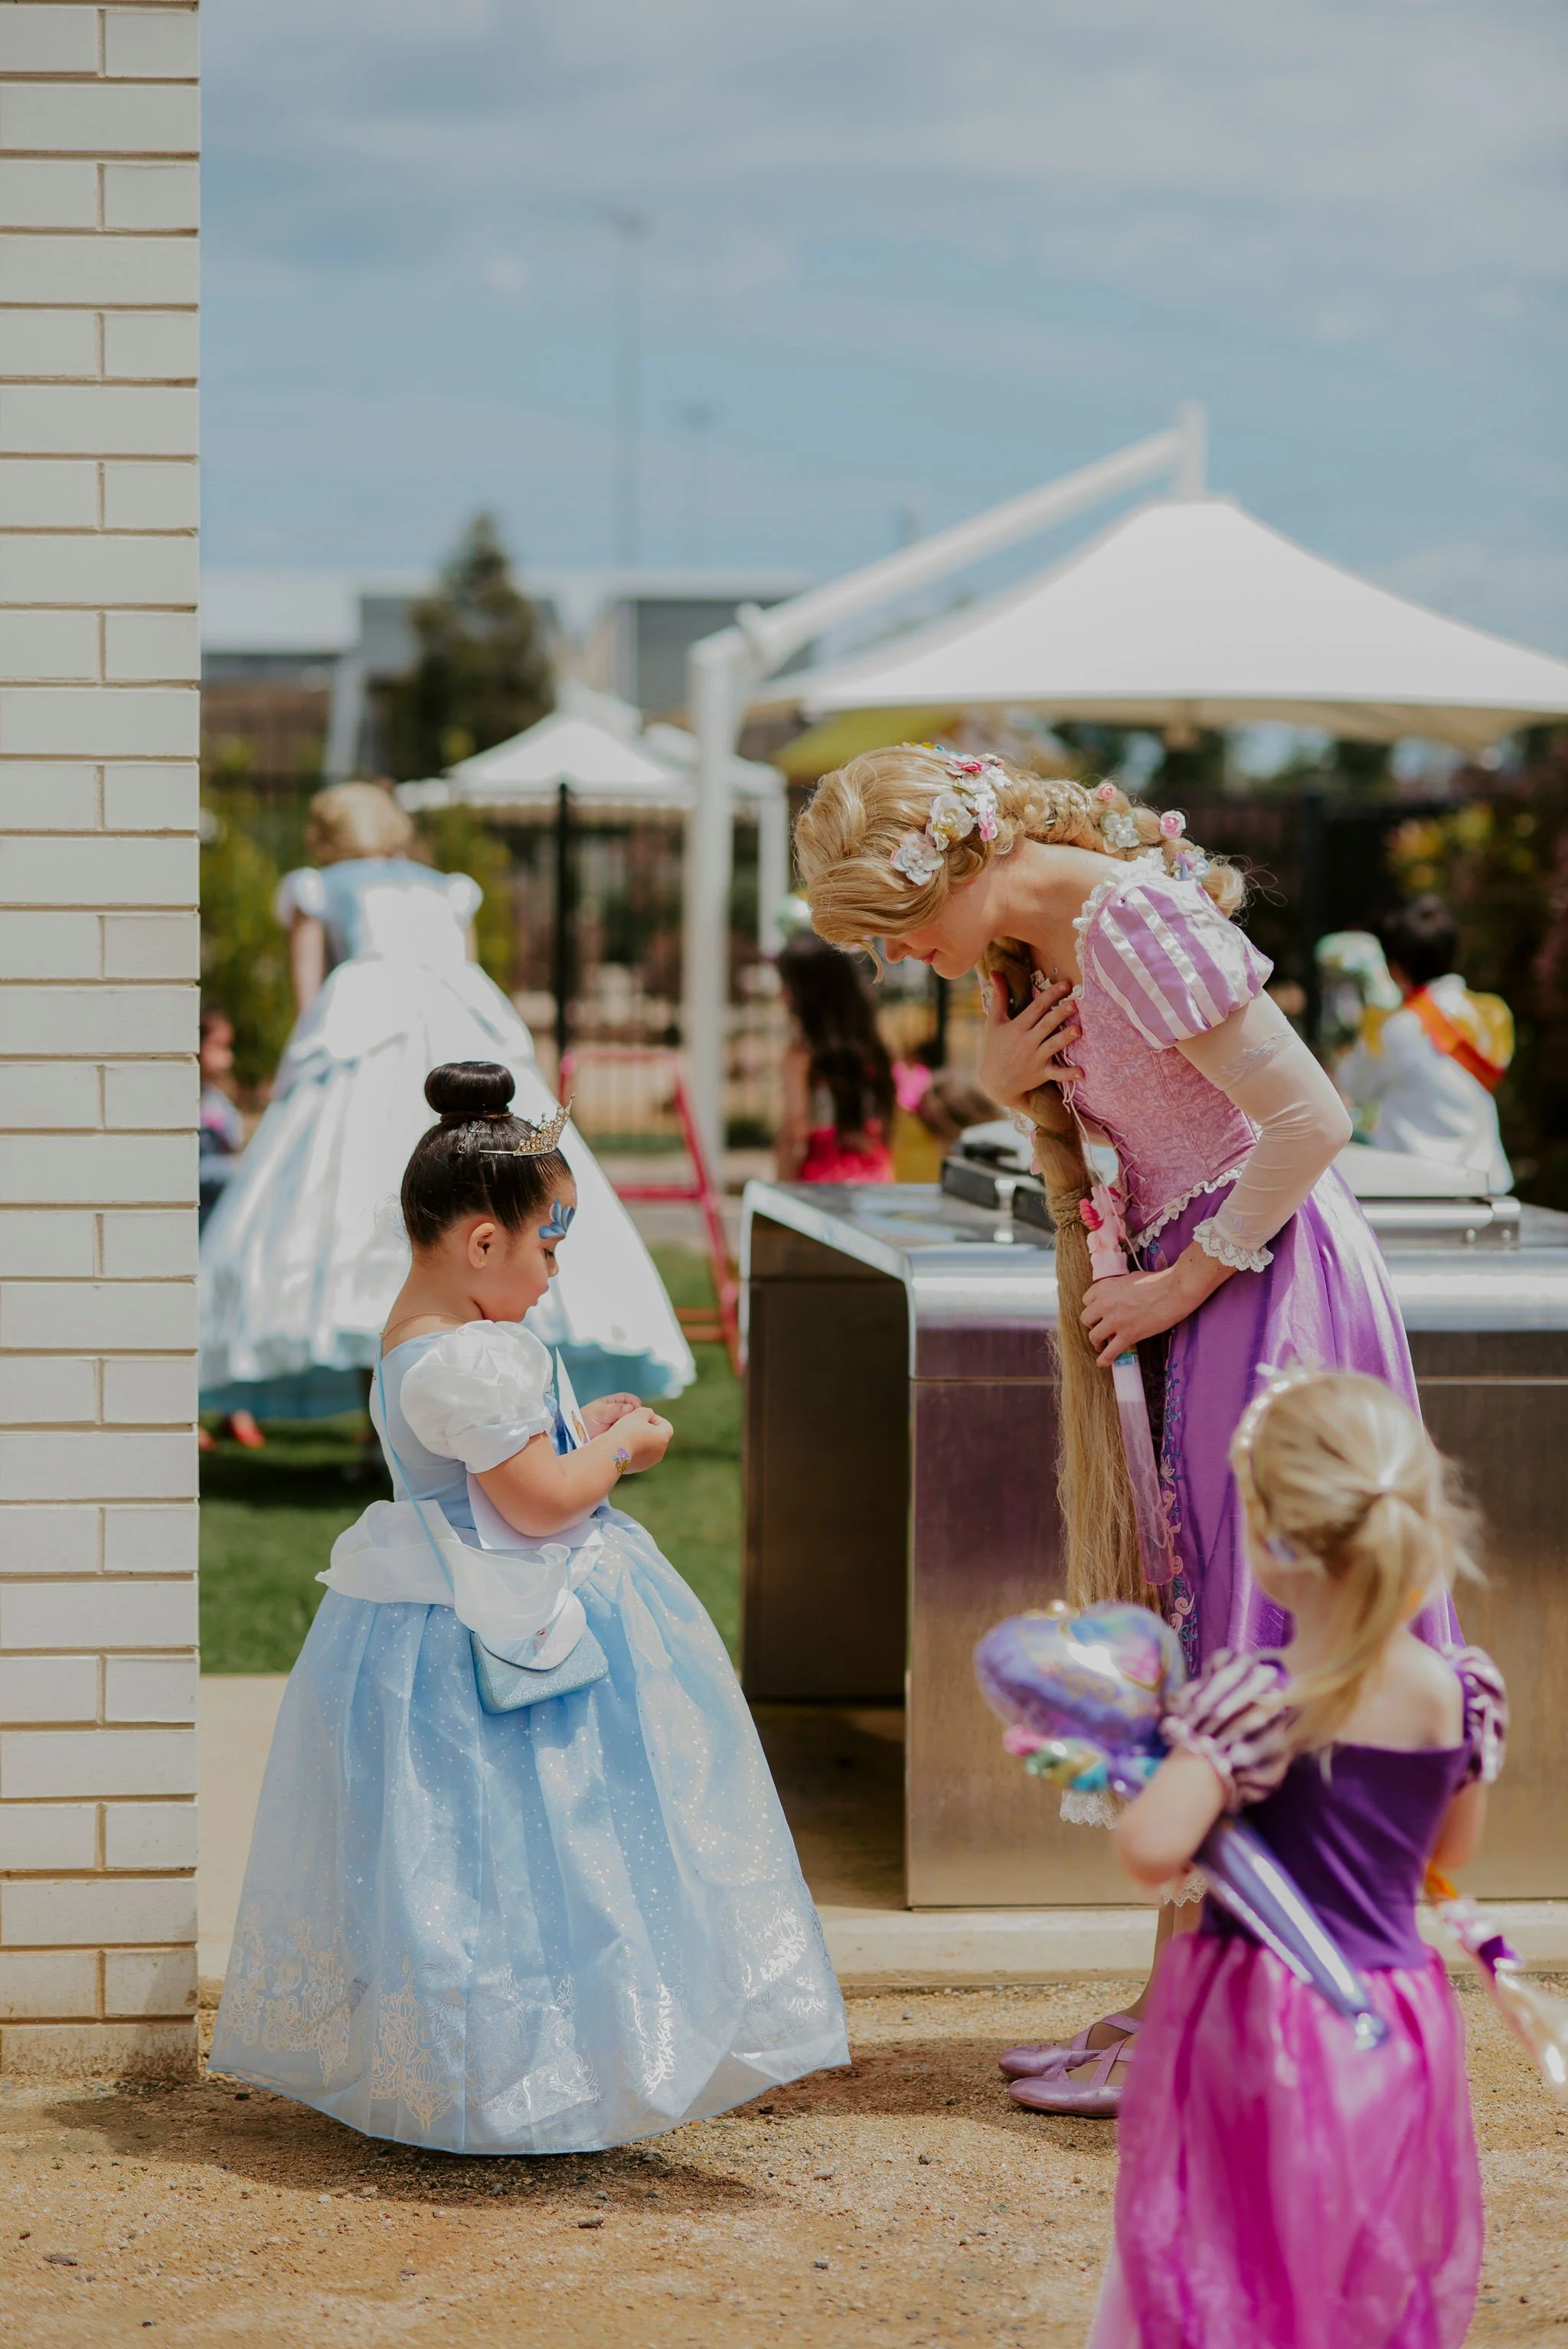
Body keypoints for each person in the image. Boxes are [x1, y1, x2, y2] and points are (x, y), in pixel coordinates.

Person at [794, 747, 1455, 2112]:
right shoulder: (1051, 943)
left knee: (1248, 1633)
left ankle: (1224, 2011)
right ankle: (1184, 1996)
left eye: (894, 924)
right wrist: (996, 1083)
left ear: (960, 860)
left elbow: (1308, 1118)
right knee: (1212, 1620)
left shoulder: (1126, 924)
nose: (901, 956)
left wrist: (1180, 1277)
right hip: (1208, 1283)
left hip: (1257, 1282)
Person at [210, 1060, 847, 2151]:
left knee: (492, 1862)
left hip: (476, 1614)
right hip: (501, 1638)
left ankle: (522, 2068)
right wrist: (624, 1447)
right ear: (482, 1243)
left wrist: (572, 1424)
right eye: (548, 1245)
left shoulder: (442, 1342)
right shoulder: (458, 1364)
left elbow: (513, 1463)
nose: (555, 1270)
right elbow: (545, 1503)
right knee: (531, 1850)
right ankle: (521, 2078)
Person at [1088, 1368, 1502, 2349]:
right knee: (1356, 2248)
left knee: (1229, 2247)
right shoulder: (1460, 1688)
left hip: (1265, 2018)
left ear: (1271, 1543)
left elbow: (1150, 1852)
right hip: (1395, 2013)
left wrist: (1156, 1763)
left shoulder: (1252, 1697)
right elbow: (1447, 1854)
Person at [199, 781, 694, 1425]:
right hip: (458, 1031)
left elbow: (309, 997)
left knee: (350, 1207)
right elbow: (470, 980)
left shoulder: (319, 887)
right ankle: (479, 1388)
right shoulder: (445, 889)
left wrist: (298, 1075)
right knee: (491, 1183)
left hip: (364, 1033)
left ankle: (384, 1412)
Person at [1338, 895, 1514, 1193]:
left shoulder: (1395, 1027)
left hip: (1420, 1184)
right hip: (1488, 1183)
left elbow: (1354, 1088)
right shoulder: (1491, 1013)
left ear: (1396, 967)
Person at [774, 929, 896, 1183]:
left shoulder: (801, 1056)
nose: (782, 995)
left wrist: (782, 1188)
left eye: (788, 985)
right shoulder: (872, 1051)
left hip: (821, 1182)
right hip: (875, 1175)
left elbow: (796, 1129)